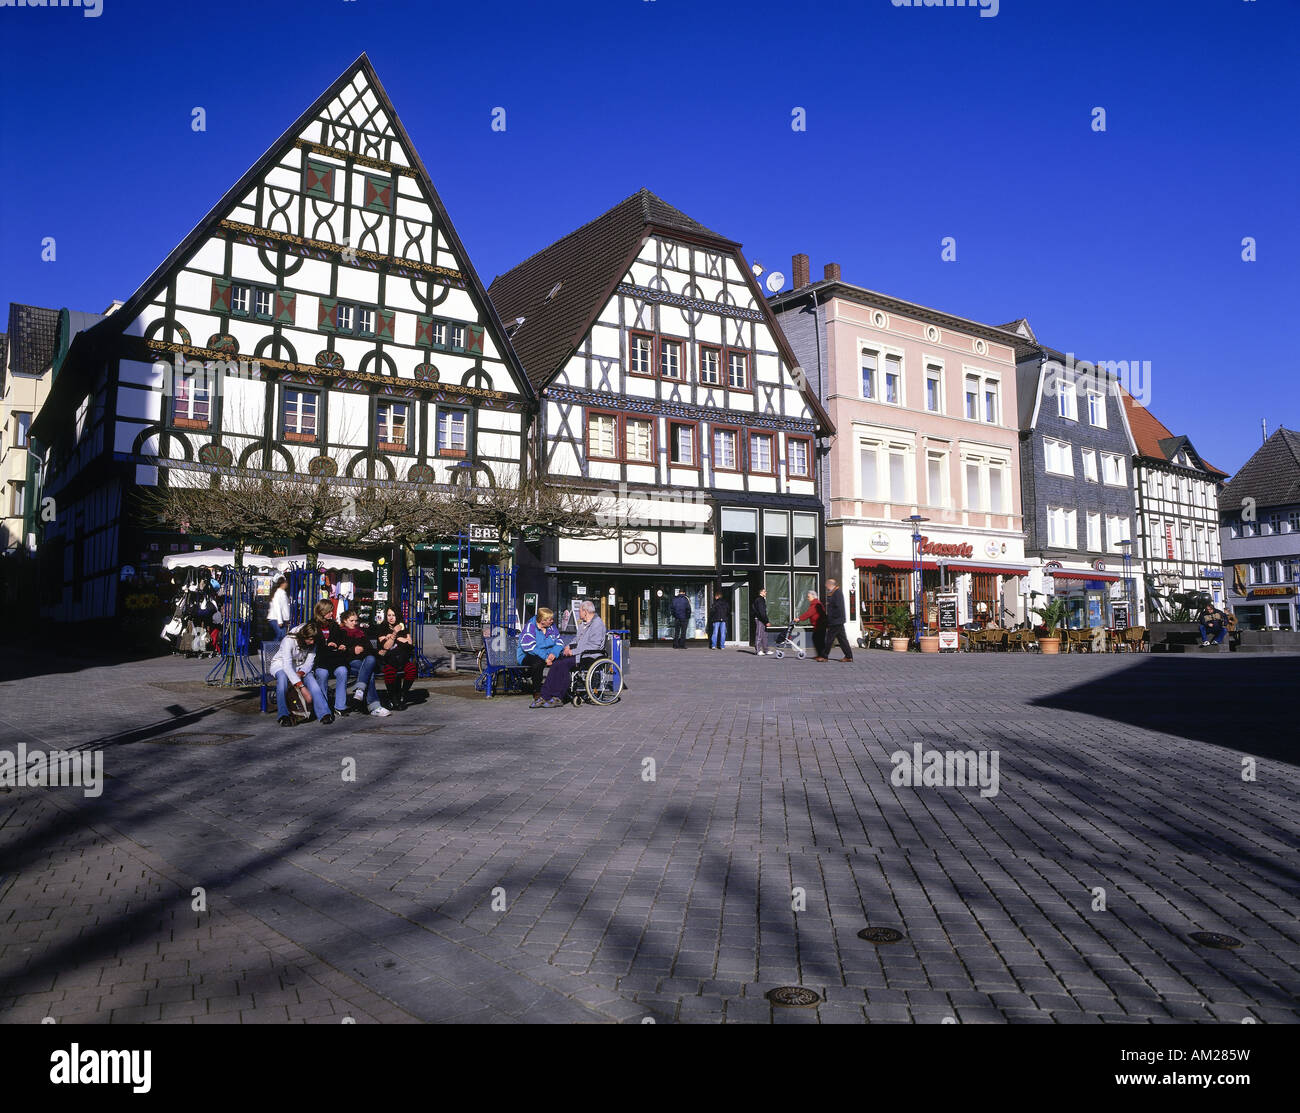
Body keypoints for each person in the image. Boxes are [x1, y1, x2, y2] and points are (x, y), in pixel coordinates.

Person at [537, 600, 606, 707]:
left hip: (590, 656)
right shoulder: (584, 624)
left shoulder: (597, 624)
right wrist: (568, 646)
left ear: (585, 611)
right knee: (556, 663)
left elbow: (594, 646)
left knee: (563, 664)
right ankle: (545, 695)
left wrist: (572, 652)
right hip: (580, 654)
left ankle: (557, 696)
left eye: (580, 611)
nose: (579, 613)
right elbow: (577, 639)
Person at [270, 621, 333, 726]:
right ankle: (283, 715)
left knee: (312, 681)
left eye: (314, 640)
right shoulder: (288, 641)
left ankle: (324, 713)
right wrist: (301, 687)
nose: (312, 642)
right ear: (303, 637)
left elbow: (309, 661)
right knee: (282, 678)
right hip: (281, 664)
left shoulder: (313, 641)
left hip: (301, 667)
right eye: (310, 640)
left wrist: (302, 672)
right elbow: (287, 666)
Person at [336, 607, 390, 716]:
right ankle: (374, 706)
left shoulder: (361, 632)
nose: (354, 623)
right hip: (350, 661)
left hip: (364, 660)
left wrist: (373, 651)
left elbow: (369, 648)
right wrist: (352, 650)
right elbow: (339, 651)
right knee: (369, 673)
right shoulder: (340, 632)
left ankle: (360, 690)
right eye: (351, 621)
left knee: (371, 658)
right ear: (345, 621)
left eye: (356, 621)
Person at [371, 606, 416, 710]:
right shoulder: (382, 627)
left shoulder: (403, 627)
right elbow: (385, 646)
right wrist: (395, 634)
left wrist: (392, 638)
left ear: (398, 616)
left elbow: (410, 644)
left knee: (412, 669)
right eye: (389, 615)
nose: (391, 618)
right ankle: (393, 698)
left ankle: (402, 694)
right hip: (388, 660)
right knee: (390, 671)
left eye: (393, 615)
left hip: (402, 659)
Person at [519, 607, 564, 705]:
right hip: (528, 654)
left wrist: (553, 654)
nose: (552, 621)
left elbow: (559, 642)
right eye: (550, 619)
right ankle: (537, 692)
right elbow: (529, 647)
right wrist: (545, 657)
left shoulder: (552, 627)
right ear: (542, 620)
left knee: (561, 662)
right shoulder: (530, 627)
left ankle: (556, 692)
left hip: (548, 655)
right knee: (538, 663)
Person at [823, 578, 853, 663]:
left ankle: (824, 656)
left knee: (829, 638)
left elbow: (838, 607)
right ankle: (848, 656)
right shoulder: (833, 593)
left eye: (826, 584)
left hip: (836, 620)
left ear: (830, 584)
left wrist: (831, 617)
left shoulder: (837, 593)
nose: (826, 586)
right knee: (842, 639)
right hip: (837, 620)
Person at [797, 590, 829, 661]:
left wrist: (799, 618)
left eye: (808, 597)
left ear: (813, 596)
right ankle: (819, 655)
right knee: (816, 639)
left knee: (819, 640)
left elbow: (809, 613)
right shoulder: (814, 603)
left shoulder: (815, 604)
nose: (807, 598)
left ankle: (823, 656)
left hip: (820, 625)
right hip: (818, 625)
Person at [268, 576, 291, 640]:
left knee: (281, 636)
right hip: (276, 619)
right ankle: (273, 649)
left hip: (278, 619)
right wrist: (280, 621)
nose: (287, 584)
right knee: (280, 635)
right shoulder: (279, 593)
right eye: (286, 582)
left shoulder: (282, 593)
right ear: (283, 583)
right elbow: (278, 607)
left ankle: (275, 649)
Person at [751, 587, 771, 656]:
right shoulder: (759, 600)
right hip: (760, 619)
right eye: (764, 591)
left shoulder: (761, 600)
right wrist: (766, 621)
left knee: (764, 635)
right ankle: (758, 650)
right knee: (759, 634)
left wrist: (765, 620)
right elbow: (761, 612)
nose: (766, 592)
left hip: (762, 619)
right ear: (761, 592)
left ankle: (766, 650)